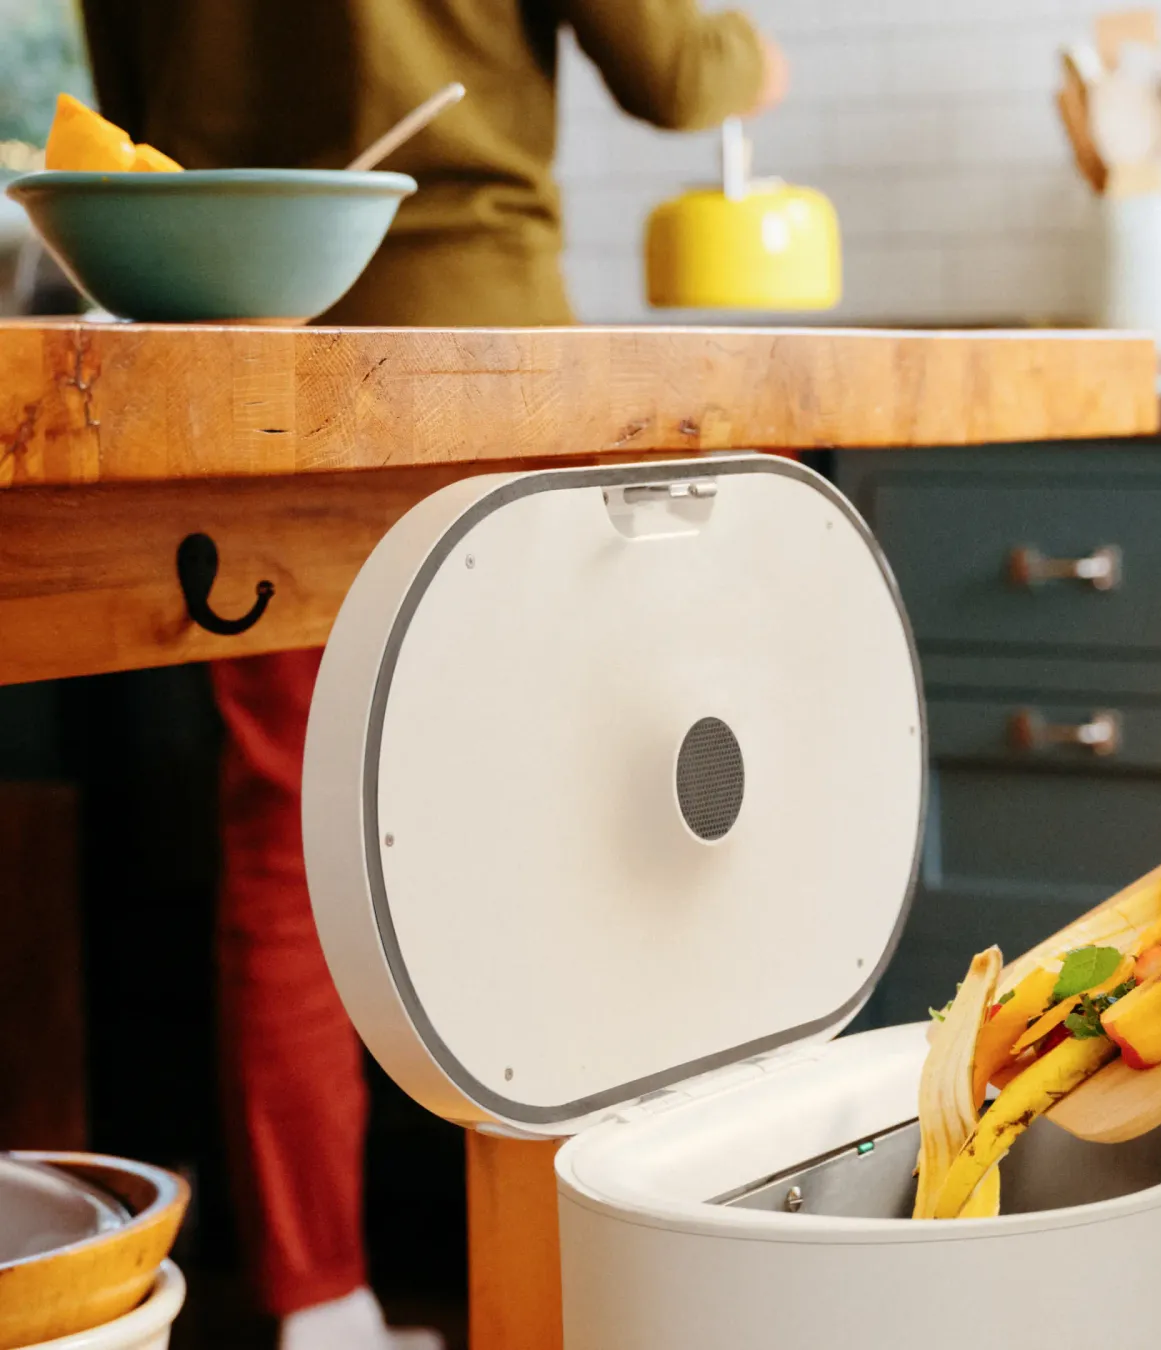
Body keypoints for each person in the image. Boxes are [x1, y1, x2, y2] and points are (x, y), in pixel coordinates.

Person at [76, 5, 783, 1347]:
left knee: (288, 840)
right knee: (579, 828)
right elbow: (674, 71)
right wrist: (753, 56)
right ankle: (583, 1293)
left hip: (241, 344)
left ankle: (320, 1303)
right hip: (479, 347)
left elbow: (122, 98)